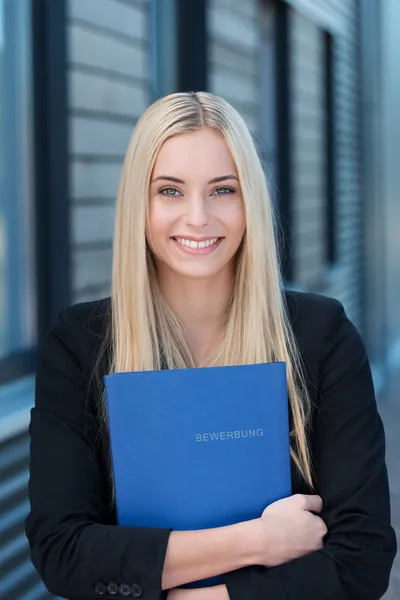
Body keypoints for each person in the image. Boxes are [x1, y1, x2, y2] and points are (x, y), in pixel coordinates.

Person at [25, 91, 396, 600]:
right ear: (140, 202)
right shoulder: (80, 345)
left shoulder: (321, 335)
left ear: (251, 201)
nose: (198, 217)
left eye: (223, 189)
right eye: (170, 191)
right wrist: (258, 541)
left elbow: (363, 559)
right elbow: (64, 552)